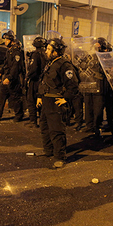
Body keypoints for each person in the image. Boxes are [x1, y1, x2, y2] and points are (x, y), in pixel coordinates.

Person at [36, 38, 79, 168]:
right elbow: (44, 80)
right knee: (44, 127)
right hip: (46, 100)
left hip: (56, 101)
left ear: (56, 52)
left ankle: (60, 156)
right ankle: (48, 151)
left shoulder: (64, 65)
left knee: (56, 130)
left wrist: (66, 98)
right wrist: (39, 96)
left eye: (49, 49)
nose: (46, 51)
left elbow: (73, 85)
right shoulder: (50, 63)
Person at [0, 31, 24, 122]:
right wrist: (1, 74)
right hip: (6, 77)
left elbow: (15, 67)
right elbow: (6, 64)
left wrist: (9, 78)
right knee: (1, 95)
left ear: (11, 40)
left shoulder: (16, 52)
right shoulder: (9, 51)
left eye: (7, 39)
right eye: (5, 39)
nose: (5, 41)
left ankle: (19, 114)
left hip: (13, 79)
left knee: (15, 98)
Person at [26, 36, 47, 128]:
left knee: (31, 101)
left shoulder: (35, 54)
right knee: (41, 102)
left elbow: (33, 68)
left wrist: (28, 77)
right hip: (43, 81)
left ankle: (33, 121)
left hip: (35, 81)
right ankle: (43, 122)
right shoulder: (46, 54)